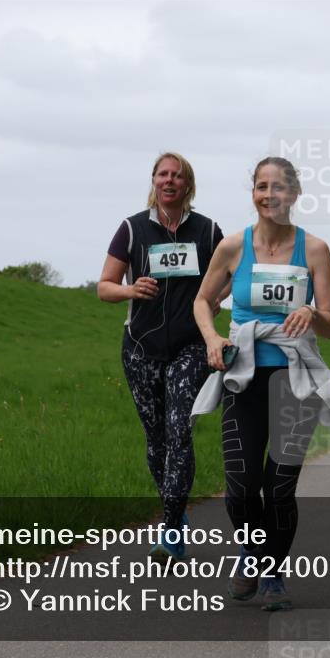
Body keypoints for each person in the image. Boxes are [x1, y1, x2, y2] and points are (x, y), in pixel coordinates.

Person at [192, 156, 330, 611]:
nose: (269, 194)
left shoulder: (315, 249)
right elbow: (203, 301)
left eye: (278, 187)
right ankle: (251, 554)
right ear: (254, 193)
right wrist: (212, 338)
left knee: (279, 488)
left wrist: (314, 313)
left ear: (294, 195)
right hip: (244, 375)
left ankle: (272, 572)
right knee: (241, 488)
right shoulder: (233, 247)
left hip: (295, 381)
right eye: (261, 186)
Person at [98, 152, 223, 561]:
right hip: (140, 348)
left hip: (190, 347)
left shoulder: (207, 232)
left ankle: (170, 530)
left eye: (177, 175)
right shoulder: (132, 229)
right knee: (156, 440)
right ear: (153, 181)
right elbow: (104, 286)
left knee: (179, 430)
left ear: (188, 185)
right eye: (162, 174)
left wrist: (212, 303)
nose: (169, 181)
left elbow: (227, 281)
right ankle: (176, 511)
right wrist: (131, 291)